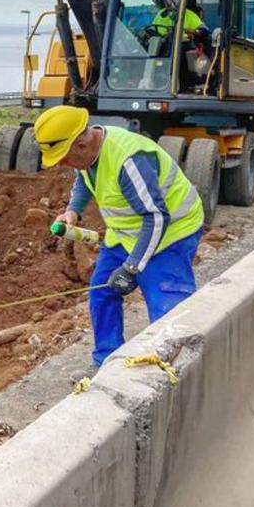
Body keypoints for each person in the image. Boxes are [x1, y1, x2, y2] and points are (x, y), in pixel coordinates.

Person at [32, 107, 204, 368]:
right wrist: (73, 211)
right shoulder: (88, 155)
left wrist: (132, 267)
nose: (61, 165)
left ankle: (176, 371)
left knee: (167, 308)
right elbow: (83, 177)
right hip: (126, 234)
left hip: (170, 234)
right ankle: (106, 362)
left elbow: (156, 218)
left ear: (81, 143)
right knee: (102, 292)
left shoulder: (129, 161)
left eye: (62, 158)